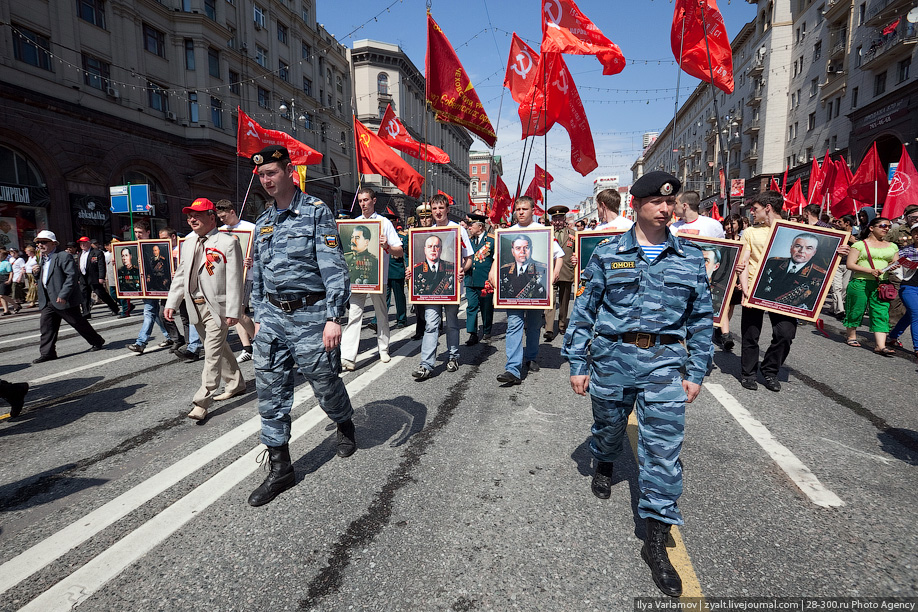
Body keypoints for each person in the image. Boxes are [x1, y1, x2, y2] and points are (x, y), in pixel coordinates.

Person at [562, 170, 713, 598]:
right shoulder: (609, 254)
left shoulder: (689, 257)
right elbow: (585, 311)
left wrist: (696, 372)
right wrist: (578, 362)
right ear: (637, 205)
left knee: (664, 454)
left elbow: (702, 320)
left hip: (665, 365)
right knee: (609, 428)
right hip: (611, 361)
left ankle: (656, 543)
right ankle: (605, 462)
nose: (666, 208)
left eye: (671, 202)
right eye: (656, 202)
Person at [247, 145, 356, 507]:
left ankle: (344, 423)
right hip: (274, 319)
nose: (267, 180)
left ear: (288, 171)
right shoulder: (263, 223)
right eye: (262, 175)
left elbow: (333, 266)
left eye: (272, 173)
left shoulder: (314, 212)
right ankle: (281, 468)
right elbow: (258, 274)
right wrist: (259, 316)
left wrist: (333, 317)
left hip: (311, 317)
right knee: (270, 393)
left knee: (325, 384)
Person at [165, 198, 246, 420]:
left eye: (197, 215)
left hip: (217, 308)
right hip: (194, 306)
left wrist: (233, 310)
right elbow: (181, 275)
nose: (192, 219)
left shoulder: (228, 242)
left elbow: (235, 278)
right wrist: (172, 302)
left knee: (210, 354)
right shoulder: (189, 243)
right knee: (220, 349)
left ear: (212, 217)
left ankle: (202, 401)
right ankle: (236, 383)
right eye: (190, 215)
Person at [491, 196, 564, 385]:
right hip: (512, 293)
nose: (521, 212)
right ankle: (512, 369)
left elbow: (559, 255)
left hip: (537, 292)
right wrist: (492, 273)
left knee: (533, 326)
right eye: (518, 209)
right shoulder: (507, 232)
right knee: (514, 325)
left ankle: (531, 356)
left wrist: (555, 273)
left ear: (533, 211)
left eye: (525, 209)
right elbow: (497, 257)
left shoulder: (543, 231)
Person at [407, 193, 472, 381]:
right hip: (430, 291)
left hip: (451, 287)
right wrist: (411, 271)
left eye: (441, 208)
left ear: (447, 209)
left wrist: (462, 270)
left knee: (452, 323)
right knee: (431, 325)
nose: (437, 212)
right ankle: (426, 364)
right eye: (434, 208)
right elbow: (416, 259)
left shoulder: (458, 230)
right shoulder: (425, 232)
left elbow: (468, 258)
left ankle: (453, 356)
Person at [340, 187, 403, 371]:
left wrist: (387, 246)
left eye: (366, 200)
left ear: (374, 201)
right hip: (358, 277)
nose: (363, 204)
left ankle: (383, 348)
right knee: (354, 315)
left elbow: (399, 250)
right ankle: (348, 356)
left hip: (378, 277)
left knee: (381, 313)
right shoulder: (355, 223)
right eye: (360, 201)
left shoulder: (384, 223)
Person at [32, 230, 105, 362]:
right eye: (38, 243)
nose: (40, 245)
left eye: (43, 242)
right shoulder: (42, 258)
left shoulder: (63, 256)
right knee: (46, 326)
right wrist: (36, 273)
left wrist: (63, 294)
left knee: (77, 322)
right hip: (49, 299)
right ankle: (47, 353)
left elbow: (71, 276)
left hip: (63, 298)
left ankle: (97, 340)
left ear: (53, 243)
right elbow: (45, 278)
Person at [843, 216, 899, 356]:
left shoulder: (892, 246)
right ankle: (851, 336)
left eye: (888, 226)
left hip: (881, 285)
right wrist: (870, 271)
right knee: (856, 309)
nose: (886, 228)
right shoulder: (860, 245)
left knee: (881, 313)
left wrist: (893, 267)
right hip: (861, 282)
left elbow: (896, 262)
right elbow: (850, 264)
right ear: (871, 228)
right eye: (882, 226)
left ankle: (880, 345)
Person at [215, 199, 258, 364]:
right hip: (226, 276)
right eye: (219, 217)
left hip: (246, 276)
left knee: (238, 312)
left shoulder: (250, 228)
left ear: (232, 212)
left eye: (224, 216)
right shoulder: (220, 231)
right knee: (234, 314)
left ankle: (260, 343)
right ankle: (247, 348)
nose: (222, 220)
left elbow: (263, 251)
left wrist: (252, 260)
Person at [126, 222, 172, 354]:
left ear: (147, 232)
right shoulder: (132, 247)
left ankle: (140, 342)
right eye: (136, 232)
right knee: (154, 313)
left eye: (140, 232)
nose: (137, 235)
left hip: (158, 285)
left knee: (150, 312)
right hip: (144, 286)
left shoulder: (156, 246)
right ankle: (170, 337)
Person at [160, 227, 204, 360]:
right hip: (171, 288)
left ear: (173, 237)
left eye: (164, 238)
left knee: (190, 317)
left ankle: (192, 346)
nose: (192, 220)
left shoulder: (187, 242)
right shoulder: (161, 250)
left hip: (194, 287)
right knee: (162, 314)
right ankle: (186, 343)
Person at [755, 233, 827, 310]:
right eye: (798, 246)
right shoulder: (773, 263)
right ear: (791, 248)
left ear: (814, 252)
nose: (802, 251)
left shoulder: (819, 274)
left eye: (808, 248)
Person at [545, 205, 576, 342]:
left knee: (564, 302)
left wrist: (576, 258)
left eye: (560, 218)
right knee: (550, 301)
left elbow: (577, 252)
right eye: (555, 219)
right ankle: (549, 329)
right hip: (550, 272)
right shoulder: (547, 233)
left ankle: (562, 324)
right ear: (552, 220)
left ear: (564, 219)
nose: (557, 222)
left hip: (566, 271)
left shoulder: (573, 234)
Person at [465, 212, 495, 345]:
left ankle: (487, 330)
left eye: (472, 224)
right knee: (471, 306)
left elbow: (496, 259)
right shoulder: (468, 241)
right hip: (470, 279)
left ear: (481, 227)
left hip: (485, 280)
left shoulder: (491, 240)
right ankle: (472, 333)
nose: (469, 227)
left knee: (486, 307)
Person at [889, 223, 918, 359]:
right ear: (911, 235)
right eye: (915, 232)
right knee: (917, 314)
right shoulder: (905, 250)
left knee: (910, 315)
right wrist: (895, 265)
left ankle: (893, 335)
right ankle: (917, 348)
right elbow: (892, 264)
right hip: (909, 287)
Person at [77, 237, 120, 317]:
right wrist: (78, 278)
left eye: (84, 243)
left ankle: (114, 307)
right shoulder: (80, 254)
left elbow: (101, 266)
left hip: (94, 277)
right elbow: (79, 266)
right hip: (83, 278)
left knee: (101, 294)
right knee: (84, 296)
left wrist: (101, 277)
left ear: (89, 243)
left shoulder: (97, 253)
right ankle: (86, 312)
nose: (82, 245)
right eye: (81, 243)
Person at [412, 202, 434, 340]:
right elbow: (410, 252)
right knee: (419, 302)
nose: (425, 220)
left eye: (427, 217)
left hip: (434, 268)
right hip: (419, 269)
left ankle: (436, 325)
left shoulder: (436, 231)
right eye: (422, 218)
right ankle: (420, 329)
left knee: (434, 299)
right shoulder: (414, 233)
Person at [0, 250, 13, 315]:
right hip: (0, 278)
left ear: (4, 256)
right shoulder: (0, 262)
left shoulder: (7, 263)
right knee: (1, 296)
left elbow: (10, 272)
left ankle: (15, 305)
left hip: (5, 278)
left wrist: (9, 280)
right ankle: (6, 310)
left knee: (2, 295)